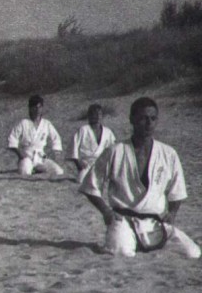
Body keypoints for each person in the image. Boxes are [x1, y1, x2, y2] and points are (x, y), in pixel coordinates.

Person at [79, 97, 200, 259]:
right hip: (123, 220)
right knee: (123, 253)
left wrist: (172, 213)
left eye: (153, 118)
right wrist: (106, 212)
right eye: (143, 118)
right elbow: (90, 186)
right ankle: (124, 239)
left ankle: (138, 242)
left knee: (192, 253)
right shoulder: (116, 151)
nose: (149, 123)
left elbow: (177, 191)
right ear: (132, 119)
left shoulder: (168, 153)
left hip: (155, 223)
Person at [8, 95, 64, 176]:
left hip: (41, 157)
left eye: (40, 107)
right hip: (27, 157)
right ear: (30, 108)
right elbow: (12, 138)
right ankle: (31, 169)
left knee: (58, 171)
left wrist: (56, 152)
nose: (37, 110)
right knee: (25, 172)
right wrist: (20, 154)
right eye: (35, 107)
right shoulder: (24, 123)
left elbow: (56, 138)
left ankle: (36, 169)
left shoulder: (46, 124)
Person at [68, 103, 117, 183]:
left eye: (100, 114)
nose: (98, 116)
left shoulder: (108, 132)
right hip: (87, 164)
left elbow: (113, 149)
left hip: (102, 163)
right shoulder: (83, 130)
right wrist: (79, 165)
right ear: (89, 116)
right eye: (95, 114)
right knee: (81, 180)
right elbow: (73, 149)